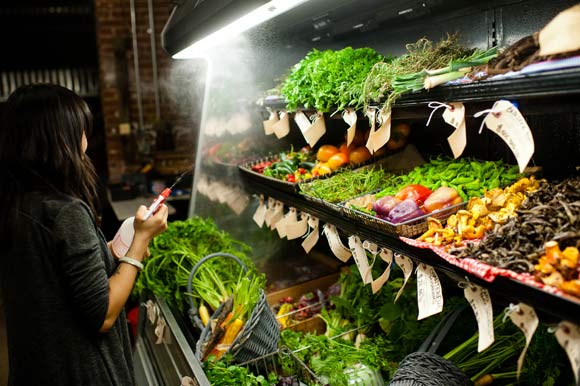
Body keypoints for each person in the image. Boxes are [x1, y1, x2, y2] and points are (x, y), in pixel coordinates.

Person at [0, 84, 168, 386]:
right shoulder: (64, 211)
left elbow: (56, 272)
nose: (86, 142)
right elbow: (103, 313)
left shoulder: (17, 203)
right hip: (80, 373)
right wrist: (140, 242)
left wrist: (114, 250)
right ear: (57, 139)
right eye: (81, 131)